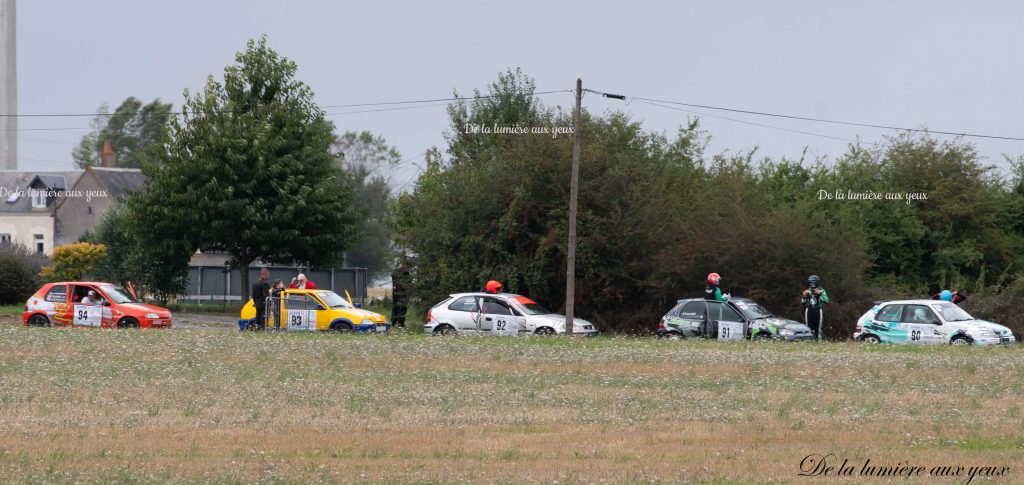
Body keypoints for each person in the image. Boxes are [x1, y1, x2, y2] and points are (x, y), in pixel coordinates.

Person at [801, 274, 830, 340]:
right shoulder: (807, 290)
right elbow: (803, 302)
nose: (812, 284)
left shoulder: (821, 290)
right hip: (809, 310)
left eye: (813, 282)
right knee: (809, 327)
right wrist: (804, 296)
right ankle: (809, 341)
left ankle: (819, 341)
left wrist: (819, 294)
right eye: (811, 282)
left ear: (817, 282)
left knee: (818, 328)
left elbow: (826, 301)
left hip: (818, 310)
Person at [391, 263, 411, 328]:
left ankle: (401, 323)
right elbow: (393, 276)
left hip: (404, 293)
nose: (407, 267)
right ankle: (393, 322)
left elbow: (409, 283)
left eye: (407, 267)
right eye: (405, 266)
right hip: (396, 293)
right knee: (396, 307)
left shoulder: (407, 273)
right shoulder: (396, 271)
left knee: (403, 308)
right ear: (402, 265)